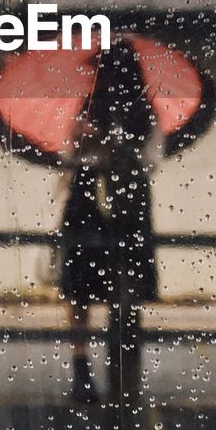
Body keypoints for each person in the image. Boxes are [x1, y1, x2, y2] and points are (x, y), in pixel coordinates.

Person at [60, 41, 159, 405]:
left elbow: (150, 159)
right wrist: (82, 139)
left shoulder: (143, 114)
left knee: (123, 285)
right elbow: (70, 156)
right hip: (89, 201)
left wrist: (115, 148)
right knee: (81, 288)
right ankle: (83, 370)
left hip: (125, 202)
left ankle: (121, 370)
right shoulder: (87, 109)